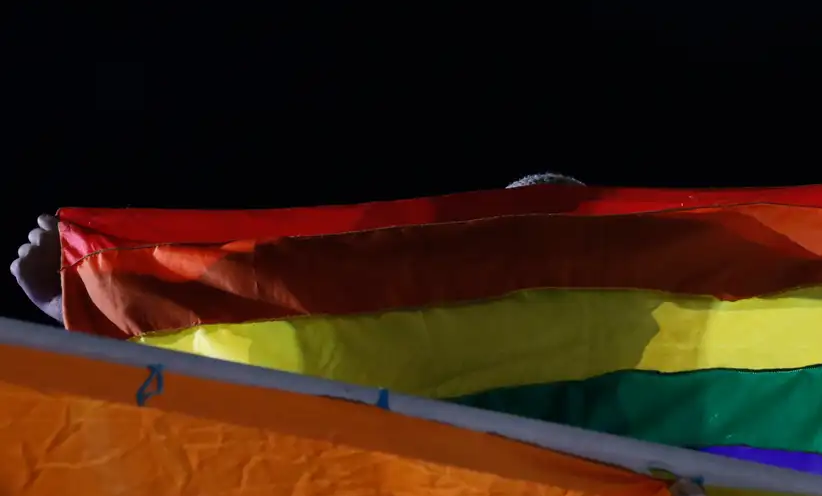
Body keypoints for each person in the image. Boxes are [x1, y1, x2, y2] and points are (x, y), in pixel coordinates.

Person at [10, 172, 584, 325]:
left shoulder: (657, 337)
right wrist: (73, 307)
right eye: (507, 229)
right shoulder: (410, 321)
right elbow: (247, 341)